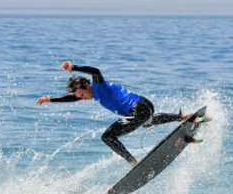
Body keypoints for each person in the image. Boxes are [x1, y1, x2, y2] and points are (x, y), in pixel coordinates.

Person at [37, 61, 197, 167]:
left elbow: (95, 71)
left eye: (81, 94)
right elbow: (70, 98)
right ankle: (182, 117)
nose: (82, 98)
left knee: (107, 136)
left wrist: (73, 68)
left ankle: (134, 162)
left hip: (139, 108)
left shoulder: (98, 85)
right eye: (79, 97)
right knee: (147, 122)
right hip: (145, 107)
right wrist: (49, 99)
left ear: (86, 85)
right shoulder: (95, 93)